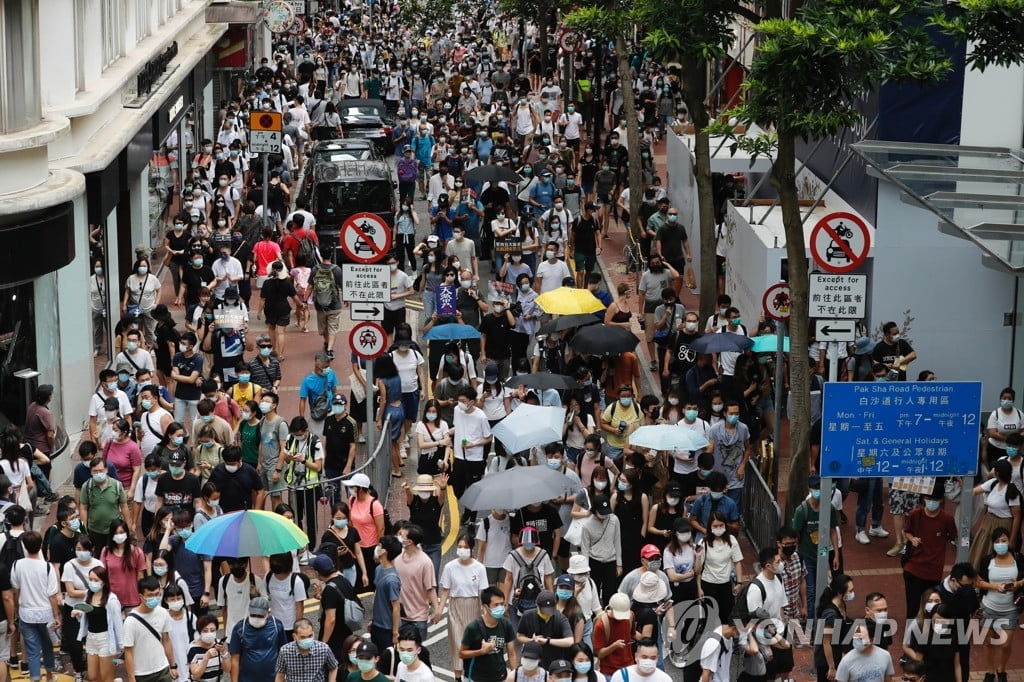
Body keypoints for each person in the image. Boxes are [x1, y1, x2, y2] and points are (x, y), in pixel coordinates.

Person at [10, 530, 61, 682]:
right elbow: (52, 595)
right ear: (40, 547)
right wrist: (56, 616)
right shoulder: (47, 567)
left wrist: (17, 610)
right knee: (47, 646)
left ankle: (35, 678)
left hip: (26, 613)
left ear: (24, 546)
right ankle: (50, 675)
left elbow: (15, 590)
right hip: (45, 614)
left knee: (32, 650)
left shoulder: (16, 565)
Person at [438, 533, 488, 681]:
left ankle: (471, 674)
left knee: (473, 643)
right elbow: (446, 590)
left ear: (472, 548)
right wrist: (439, 610)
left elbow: (482, 593)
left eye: (465, 547)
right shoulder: (450, 567)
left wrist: (485, 613)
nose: (462, 550)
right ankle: (458, 676)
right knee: (457, 642)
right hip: (456, 607)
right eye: (459, 547)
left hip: (474, 607)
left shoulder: (479, 567)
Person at [975, 526, 1022, 682]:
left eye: (1004, 540)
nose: (1001, 544)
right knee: (988, 643)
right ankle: (990, 671)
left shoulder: (1019, 559)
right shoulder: (987, 560)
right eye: (997, 541)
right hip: (989, 607)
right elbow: (979, 582)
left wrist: (1019, 584)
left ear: (1009, 541)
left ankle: (1001, 668)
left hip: (1010, 609)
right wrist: (995, 587)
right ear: (992, 544)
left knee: (1005, 644)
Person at [903, 486, 957, 618]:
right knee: (913, 606)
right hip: (913, 568)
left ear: (941, 500)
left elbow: (953, 536)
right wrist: (912, 539)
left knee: (931, 606)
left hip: (933, 571)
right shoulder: (915, 515)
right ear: (924, 499)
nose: (931, 502)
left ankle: (928, 633)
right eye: (928, 499)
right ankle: (910, 633)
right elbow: (906, 531)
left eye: (935, 500)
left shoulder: (947, 519)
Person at [792, 475, 839, 622]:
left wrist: (836, 554)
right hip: (807, 557)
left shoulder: (829, 508)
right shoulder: (802, 511)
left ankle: (822, 619)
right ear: (810, 489)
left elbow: (832, 531)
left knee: (824, 589)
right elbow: (796, 536)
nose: (818, 491)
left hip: (823, 556)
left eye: (821, 488)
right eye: (816, 488)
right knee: (811, 590)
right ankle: (811, 623)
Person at [123, 575, 177, 682]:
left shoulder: (163, 613)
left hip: (163, 669)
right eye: (150, 595)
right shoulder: (130, 621)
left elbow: (166, 640)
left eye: (157, 594)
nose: (154, 598)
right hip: (142, 674)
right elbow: (128, 652)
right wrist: (131, 678)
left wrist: (173, 665)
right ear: (141, 596)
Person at [395, 524, 440, 641]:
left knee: (417, 652)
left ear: (409, 542)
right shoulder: (397, 557)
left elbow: (430, 588)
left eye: (401, 535)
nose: (398, 537)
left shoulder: (425, 562)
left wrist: (436, 609)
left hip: (418, 618)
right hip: (399, 615)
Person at [937, 563, 980, 682]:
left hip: (962, 635)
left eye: (971, 585)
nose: (969, 588)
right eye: (965, 585)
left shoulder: (969, 591)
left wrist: (976, 614)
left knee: (963, 665)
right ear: (954, 580)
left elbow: (973, 609)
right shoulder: (937, 594)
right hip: (941, 638)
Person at [229, 596, 288, 682]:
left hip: (273, 678)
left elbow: (283, 654)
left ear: (268, 613)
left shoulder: (277, 625)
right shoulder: (240, 628)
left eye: (260, 615)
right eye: (253, 615)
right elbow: (235, 660)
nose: (256, 618)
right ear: (249, 612)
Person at [311, 552, 358, 658]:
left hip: (335, 639)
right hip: (347, 632)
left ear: (317, 573)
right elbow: (339, 602)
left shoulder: (329, 589)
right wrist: (321, 597)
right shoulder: (344, 580)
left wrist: (323, 643)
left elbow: (331, 619)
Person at [578, 495, 622, 603]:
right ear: (595, 510)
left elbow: (617, 541)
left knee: (610, 592)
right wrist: (585, 570)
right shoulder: (587, 525)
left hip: (610, 561)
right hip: (595, 561)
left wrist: (619, 564)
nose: (604, 515)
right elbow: (585, 550)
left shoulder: (614, 519)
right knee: (594, 591)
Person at [274, 617, 340, 682]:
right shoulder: (285, 651)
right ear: (294, 636)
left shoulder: (323, 649)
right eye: (303, 637)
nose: (307, 640)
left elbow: (333, 667)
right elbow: (280, 675)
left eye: (310, 636)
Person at [321, 502, 369, 588]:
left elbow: (358, 553)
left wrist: (364, 573)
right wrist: (336, 554)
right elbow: (324, 557)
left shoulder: (352, 531)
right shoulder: (327, 535)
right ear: (332, 517)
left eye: (344, 518)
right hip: (335, 572)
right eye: (338, 518)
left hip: (351, 569)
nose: (341, 521)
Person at [369, 535, 403, 653]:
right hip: (376, 624)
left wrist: (395, 633)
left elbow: (396, 607)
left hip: (387, 628)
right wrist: (372, 619)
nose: (377, 547)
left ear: (384, 551)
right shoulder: (378, 569)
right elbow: (377, 597)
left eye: (380, 545)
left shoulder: (392, 580)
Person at [593, 592, 636, 677]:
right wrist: (614, 646)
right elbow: (600, 654)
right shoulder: (602, 624)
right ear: (610, 608)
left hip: (628, 667)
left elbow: (632, 634)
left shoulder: (630, 616)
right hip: (609, 670)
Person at [187, 614, 231, 681]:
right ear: (199, 632)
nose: (209, 633)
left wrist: (224, 652)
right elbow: (196, 675)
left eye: (212, 630)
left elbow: (227, 669)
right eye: (205, 631)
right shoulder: (193, 649)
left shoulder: (219, 644)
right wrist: (206, 658)